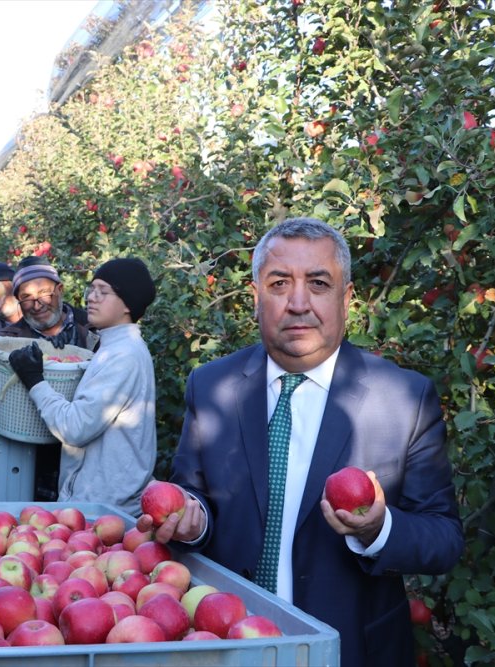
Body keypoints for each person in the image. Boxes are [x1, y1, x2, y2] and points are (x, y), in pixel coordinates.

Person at [139, 217, 463, 667]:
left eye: (318, 283)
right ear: (255, 298)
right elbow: (197, 500)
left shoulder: (403, 399)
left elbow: (444, 537)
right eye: (278, 283)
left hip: (351, 648)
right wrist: (193, 523)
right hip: (230, 640)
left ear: (346, 298)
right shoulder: (213, 385)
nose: (297, 302)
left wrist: (377, 529)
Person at [7, 258, 157, 515]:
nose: (92, 297)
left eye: (104, 291)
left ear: (127, 305)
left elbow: (76, 428)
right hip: (100, 501)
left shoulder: (122, 356)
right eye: (92, 288)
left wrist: (35, 381)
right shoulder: (112, 348)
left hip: (104, 508)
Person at [0, 260, 100, 397]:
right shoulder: (8, 340)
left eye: (44, 293)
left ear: (60, 290)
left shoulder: (94, 329)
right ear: (18, 301)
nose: (37, 305)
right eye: (27, 297)